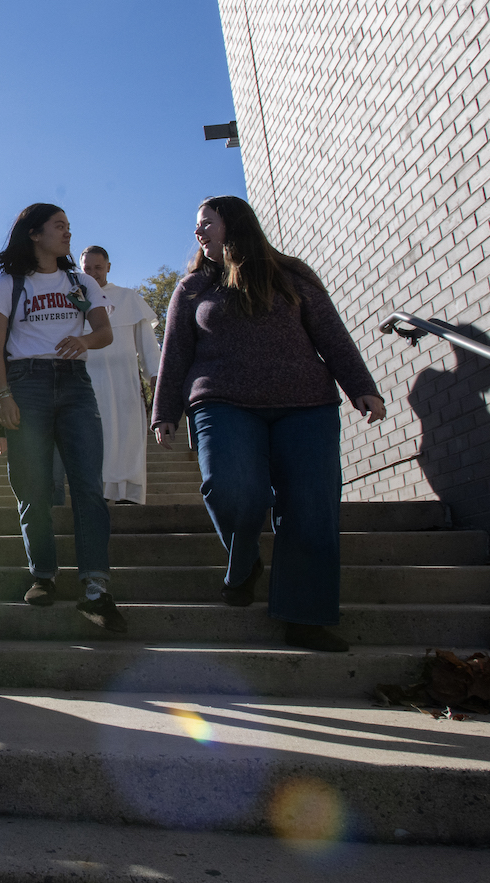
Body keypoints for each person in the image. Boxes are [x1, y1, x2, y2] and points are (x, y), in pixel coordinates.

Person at [150, 195, 387, 653]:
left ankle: (306, 618)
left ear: (234, 224)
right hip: (221, 403)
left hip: (305, 405)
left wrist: (361, 386)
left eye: (206, 223)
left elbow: (330, 332)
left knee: (311, 505)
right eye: (197, 226)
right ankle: (244, 564)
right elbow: (174, 352)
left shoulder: (291, 275)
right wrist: (164, 413)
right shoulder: (194, 288)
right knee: (232, 488)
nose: (198, 232)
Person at [0, 204, 123, 632]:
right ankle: (43, 574)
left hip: (75, 385)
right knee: (33, 486)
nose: (67, 233)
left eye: (68, 226)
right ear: (33, 234)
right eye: (58, 226)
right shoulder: (6, 284)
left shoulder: (80, 282)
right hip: (26, 384)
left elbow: (105, 332)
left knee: (87, 486)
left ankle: (96, 587)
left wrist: (82, 340)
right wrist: (2, 395)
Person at [81, 246, 163, 504]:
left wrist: (157, 383)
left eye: (98, 267)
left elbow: (149, 348)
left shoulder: (128, 298)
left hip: (125, 383)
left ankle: (129, 495)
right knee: (96, 440)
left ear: (108, 267)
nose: (93, 274)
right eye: (87, 269)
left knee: (128, 438)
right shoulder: (74, 302)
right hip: (88, 384)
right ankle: (98, 496)